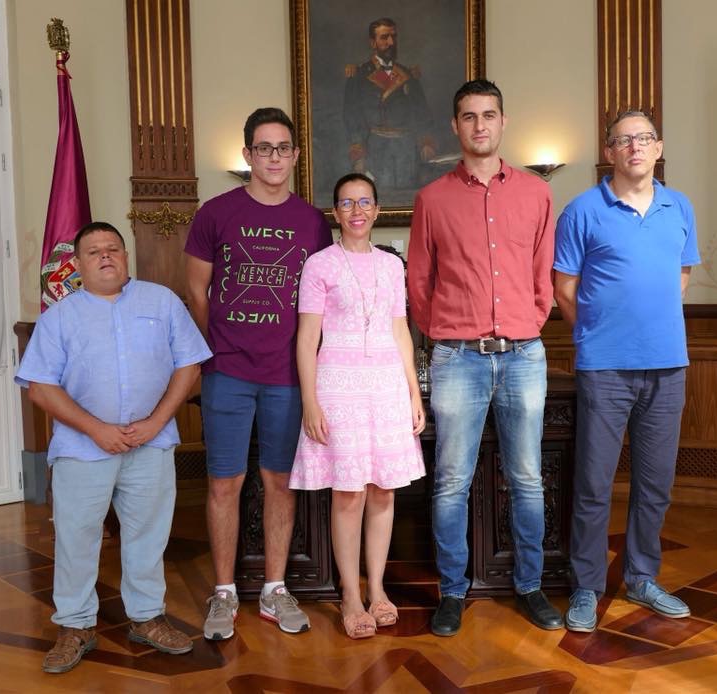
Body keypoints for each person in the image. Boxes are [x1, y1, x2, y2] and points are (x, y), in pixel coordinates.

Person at [16, 222, 212, 674]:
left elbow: (190, 365)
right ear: (78, 265)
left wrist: (156, 422)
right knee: (77, 538)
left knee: (148, 534)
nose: (105, 256)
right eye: (94, 252)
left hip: (151, 442)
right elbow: (41, 388)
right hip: (82, 448)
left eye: (113, 249)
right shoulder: (59, 318)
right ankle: (75, 626)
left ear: (125, 256)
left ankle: (147, 617)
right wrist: (96, 429)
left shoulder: (162, 302)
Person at [407, 79, 562, 636]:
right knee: (452, 480)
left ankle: (530, 586)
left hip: (523, 355)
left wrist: (532, 321)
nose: (479, 125)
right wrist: (444, 332)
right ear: (455, 126)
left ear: (503, 121)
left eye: (488, 115)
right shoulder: (432, 199)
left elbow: (543, 272)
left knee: (527, 478)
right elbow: (419, 281)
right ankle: (453, 591)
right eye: (469, 116)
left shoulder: (536, 194)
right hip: (457, 358)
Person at [184, 107, 332, 640]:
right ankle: (224, 592)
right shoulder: (216, 213)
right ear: (247, 154)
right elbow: (196, 289)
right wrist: (216, 349)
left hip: (287, 375)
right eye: (263, 148)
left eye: (283, 147)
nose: (274, 157)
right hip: (227, 371)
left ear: (295, 155)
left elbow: (319, 301)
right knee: (224, 481)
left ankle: (274, 588)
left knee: (279, 482)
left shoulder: (312, 222)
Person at [553, 110, 701, 633]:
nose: (635, 147)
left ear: (658, 147)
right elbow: (564, 288)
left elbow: (680, 276)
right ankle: (587, 586)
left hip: (668, 365)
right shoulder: (581, 210)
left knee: (655, 483)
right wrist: (597, 334)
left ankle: (641, 577)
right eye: (623, 140)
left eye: (644, 138)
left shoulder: (679, 206)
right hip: (605, 369)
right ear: (609, 152)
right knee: (594, 483)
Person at [290, 173, 426, 639]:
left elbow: (400, 329)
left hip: (386, 385)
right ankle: (350, 594)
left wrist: (412, 391)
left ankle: (378, 589)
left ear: (377, 209)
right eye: (347, 203)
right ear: (335, 212)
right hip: (338, 386)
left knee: (384, 490)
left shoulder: (391, 265)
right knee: (349, 493)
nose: (356, 211)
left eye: (364, 202)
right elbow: (306, 339)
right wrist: (310, 400)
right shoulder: (320, 265)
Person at [343, 17, 436, 192]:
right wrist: (358, 154)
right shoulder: (359, 75)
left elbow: (421, 112)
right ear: (373, 43)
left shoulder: (408, 74)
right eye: (384, 37)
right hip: (375, 149)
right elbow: (352, 116)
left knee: (408, 196)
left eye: (394, 37)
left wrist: (426, 143)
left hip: (406, 150)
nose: (391, 42)